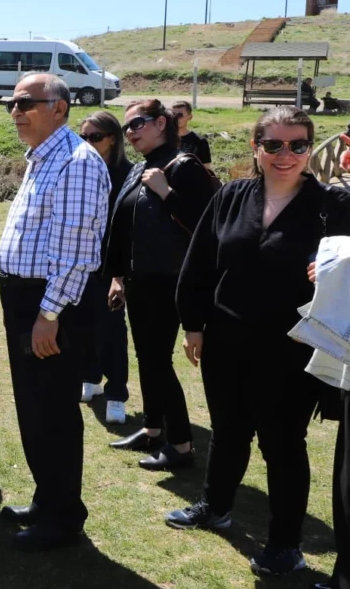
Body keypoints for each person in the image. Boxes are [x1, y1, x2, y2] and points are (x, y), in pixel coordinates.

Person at [170, 107, 350, 577]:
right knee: (228, 429)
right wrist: (193, 324)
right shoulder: (231, 195)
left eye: (297, 145)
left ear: (311, 149)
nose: (285, 155)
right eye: (273, 145)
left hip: (291, 349)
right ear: (257, 147)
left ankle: (285, 544)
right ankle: (214, 505)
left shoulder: (333, 204)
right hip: (226, 338)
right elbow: (200, 264)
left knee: (284, 443)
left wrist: (332, 271)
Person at [0, 74, 110, 551]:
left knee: (54, 411)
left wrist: (49, 313)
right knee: (34, 406)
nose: (17, 111)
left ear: (60, 107)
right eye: (13, 103)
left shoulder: (76, 161)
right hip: (30, 300)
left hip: (49, 305)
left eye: (28, 103)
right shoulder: (44, 158)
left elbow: (76, 250)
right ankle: (48, 499)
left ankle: (63, 519)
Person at [105, 100, 215, 471]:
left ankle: (181, 445)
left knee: (157, 361)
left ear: (162, 123)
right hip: (141, 279)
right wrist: (118, 276)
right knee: (148, 358)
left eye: (138, 123)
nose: (131, 131)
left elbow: (206, 225)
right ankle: (153, 430)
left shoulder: (184, 167)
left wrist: (167, 193)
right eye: (127, 127)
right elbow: (124, 226)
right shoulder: (142, 167)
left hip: (170, 280)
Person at [77, 111, 133, 424]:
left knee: (111, 330)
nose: (88, 143)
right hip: (83, 260)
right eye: (83, 137)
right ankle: (90, 377)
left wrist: (119, 276)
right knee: (83, 324)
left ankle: (117, 393)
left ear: (113, 138)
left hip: (113, 264)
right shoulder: (80, 169)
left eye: (95, 137)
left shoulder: (128, 173)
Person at [172, 101, 212, 166]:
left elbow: (206, 169)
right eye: (173, 114)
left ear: (190, 117)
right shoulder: (163, 139)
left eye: (180, 115)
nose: (176, 118)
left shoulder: (199, 141)